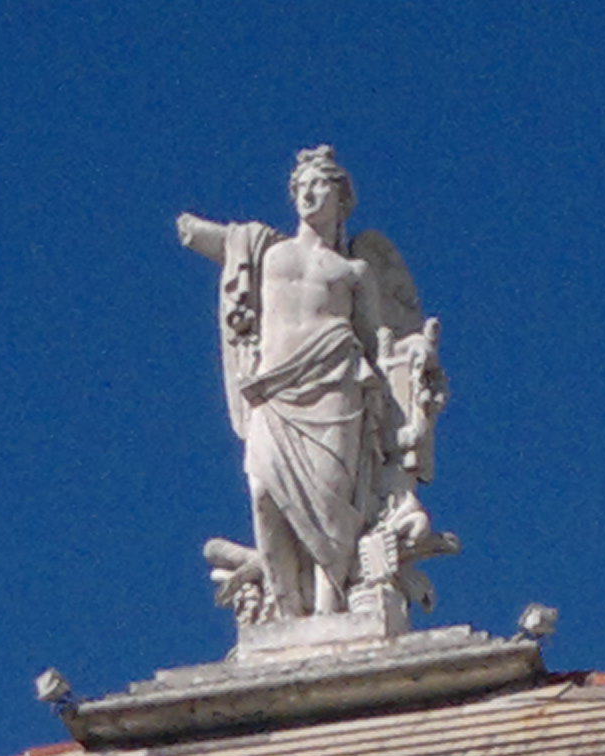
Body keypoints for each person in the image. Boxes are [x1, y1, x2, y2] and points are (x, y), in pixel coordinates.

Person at [176, 147, 445, 626]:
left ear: (341, 197)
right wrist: (192, 229)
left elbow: (378, 342)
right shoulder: (266, 251)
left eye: (318, 184)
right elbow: (221, 243)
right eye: (299, 186)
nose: (306, 194)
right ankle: (286, 607)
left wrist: (414, 359)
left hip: (336, 385)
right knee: (264, 492)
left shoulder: (354, 271)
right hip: (275, 391)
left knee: (330, 502)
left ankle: (327, 609)